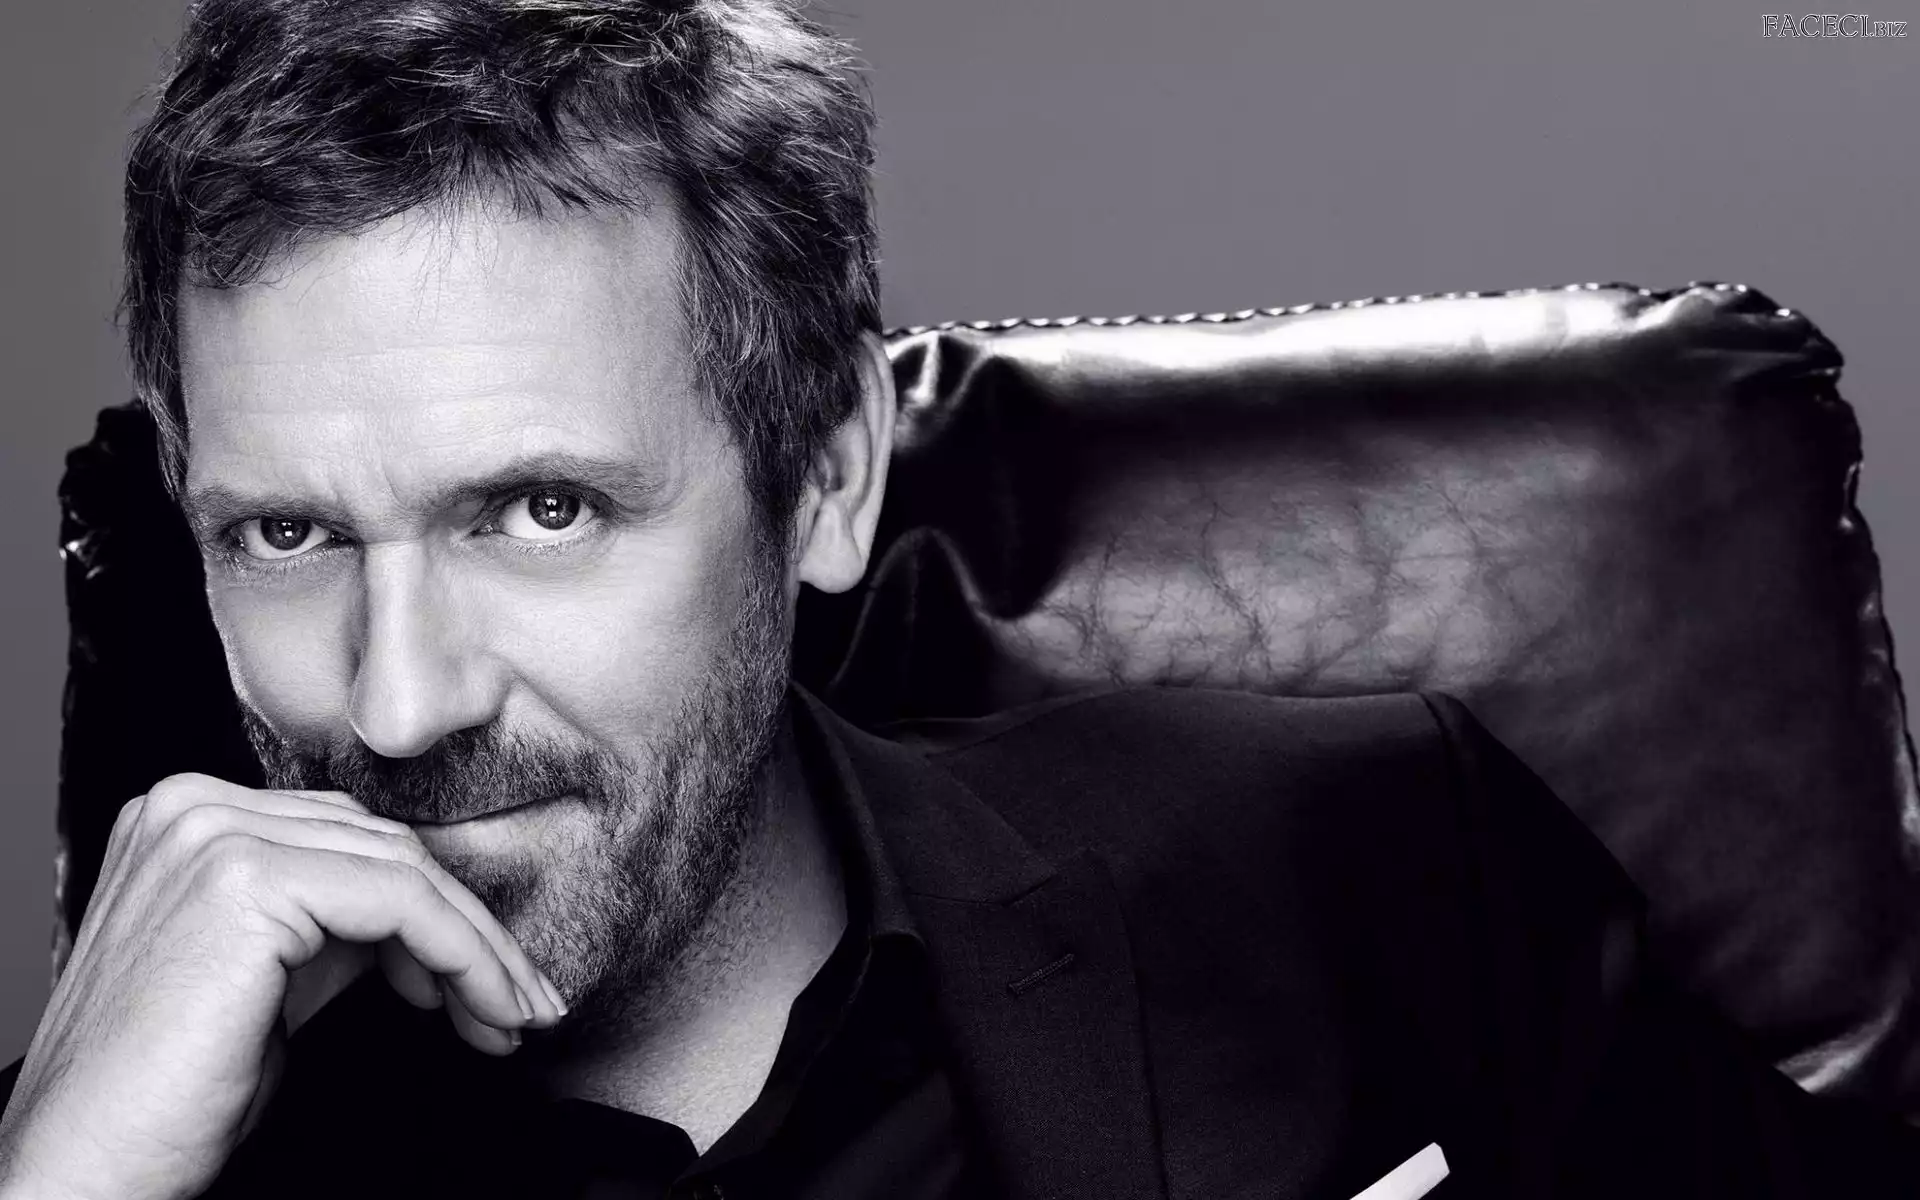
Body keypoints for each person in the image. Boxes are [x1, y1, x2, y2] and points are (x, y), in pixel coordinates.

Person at [1, 1, 1917, 1197]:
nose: (399, 704)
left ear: (827, 471)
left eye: (543, 510)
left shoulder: (1377, 863)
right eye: (287, 537)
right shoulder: (104, 1151)